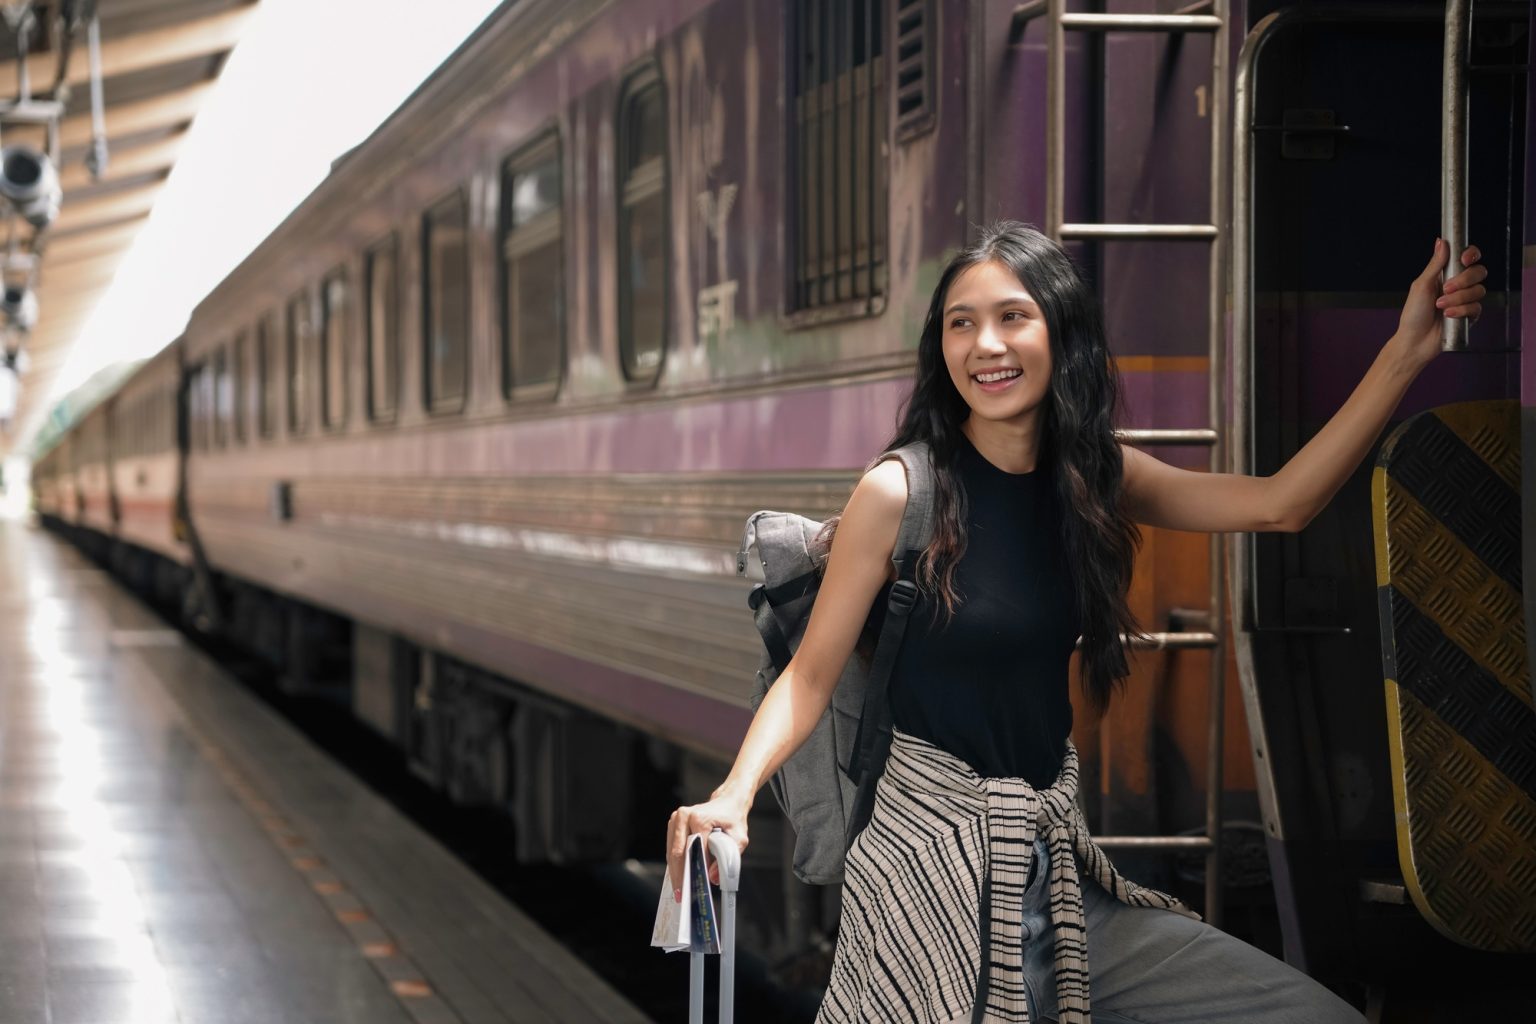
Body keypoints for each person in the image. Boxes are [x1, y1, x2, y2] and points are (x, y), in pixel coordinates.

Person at [666, 222, 1487, 1023]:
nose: (985, 345)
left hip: (1057, 879)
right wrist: (735, 798)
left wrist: (1408, 349)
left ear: (1062, 333)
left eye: (1011, 317)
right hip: (928, 877)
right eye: (961, 324)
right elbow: (808, 676)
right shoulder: (900, 492)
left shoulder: (1095, 475)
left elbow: (1282, 504)